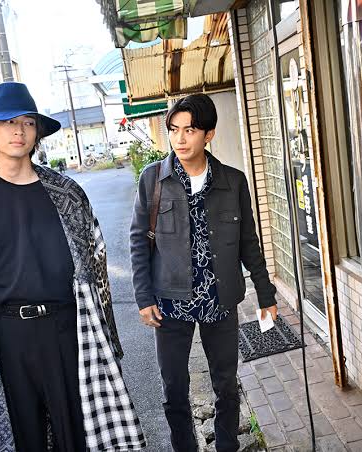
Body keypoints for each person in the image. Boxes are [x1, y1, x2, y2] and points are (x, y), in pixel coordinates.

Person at [0, 82, 145, 452]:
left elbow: (96, 265)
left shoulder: (66, 193)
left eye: (28, 123)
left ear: (37, 133)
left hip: (66, 328)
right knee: (21, 435)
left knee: (77, 431)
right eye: (8, 122)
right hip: (5, 335)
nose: (19, 130)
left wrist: (106, 334)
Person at [129, 94, 278, 451]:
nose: (179, 139)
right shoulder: (154, 179)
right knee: (173, 389)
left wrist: (266, 294)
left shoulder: (233, 182)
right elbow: (138, 240)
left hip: (220, 300)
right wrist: (144, 297)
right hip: (170, 303)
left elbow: (248, 242)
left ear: (208, 134)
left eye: (190, 130)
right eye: (174, 130)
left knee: (226, 385)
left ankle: (227, 446)